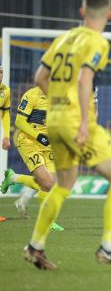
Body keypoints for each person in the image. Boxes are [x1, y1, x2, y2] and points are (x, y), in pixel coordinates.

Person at [23, 0, 111, 270]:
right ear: (109, 14)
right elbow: (86, 79)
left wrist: (59, 103)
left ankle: (35, 246)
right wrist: (85, 121)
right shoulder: (97, 41)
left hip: (55, 119)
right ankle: (108, 248)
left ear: (82, 11)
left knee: (64, 184)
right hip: (76, 121)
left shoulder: (64, 37)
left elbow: (40, 76)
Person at [1, 86, 64, 231]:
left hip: (48, 145)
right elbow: (19, 122)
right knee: (47, 183)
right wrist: (39, 136)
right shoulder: (32, 95)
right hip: (29, 142)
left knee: (52, 185)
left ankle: (13, 178)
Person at [0, 66, 11, 222]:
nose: (0, 75)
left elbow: (6, 113)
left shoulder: (5, 90)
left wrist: (6, 136)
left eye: (1, 71)